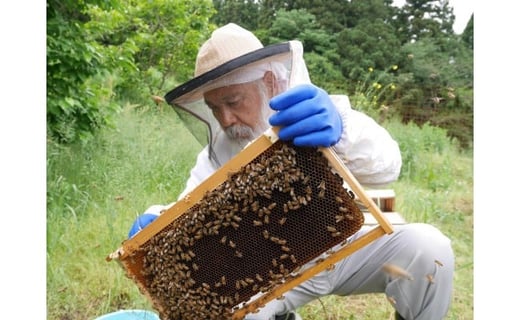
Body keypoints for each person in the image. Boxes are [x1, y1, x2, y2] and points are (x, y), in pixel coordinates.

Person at [127, 23, 454, 320]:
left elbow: (387, 165)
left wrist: (341, 131)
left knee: (428, 250)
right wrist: (156, 218)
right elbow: (186, 215)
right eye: (215, 108)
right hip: (276, 271)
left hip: (349, 246)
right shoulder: (216, 156)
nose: (225, 119)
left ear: (268, 81)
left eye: (234, 101)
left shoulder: (313, 112)